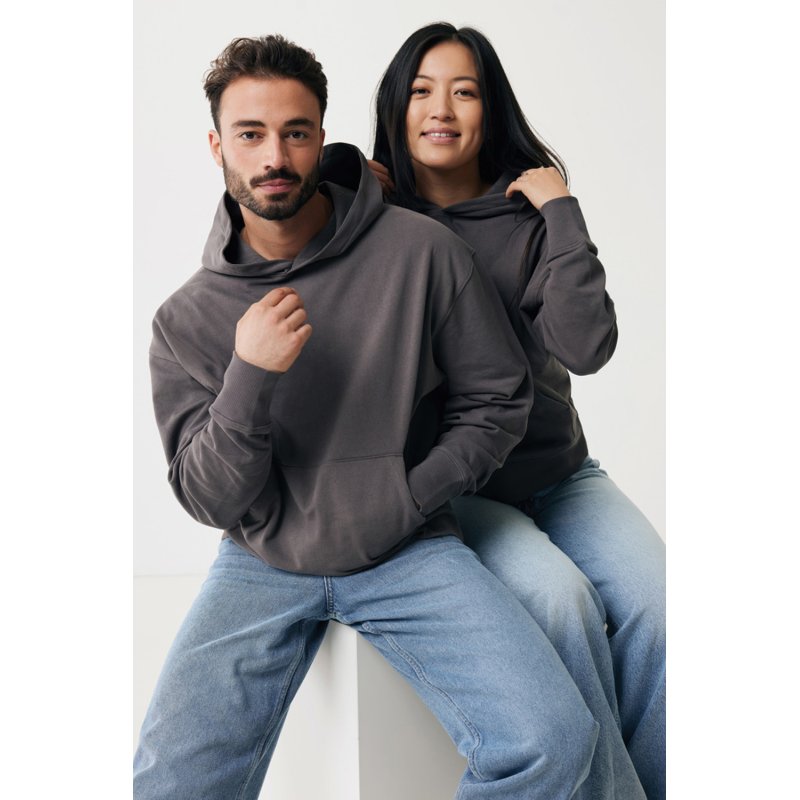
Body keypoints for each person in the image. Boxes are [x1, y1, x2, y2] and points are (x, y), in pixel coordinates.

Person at [132, 34, 614, 800]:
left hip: (409, 549)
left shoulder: (420, 252)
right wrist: (248, 377)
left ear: (322, 137)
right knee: (168, 783)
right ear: (217, 146)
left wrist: (408, 497)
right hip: (261, 560)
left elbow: (497, 399)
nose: (275, 157)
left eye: (295, 132)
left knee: (553, 739)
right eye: (251, 135)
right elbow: (209, 497)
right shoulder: (186, 318)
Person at [368, 22, 666, 799]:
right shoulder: (377, 222)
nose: (442, 109)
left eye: (464, 91)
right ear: (396, 106)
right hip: (464, 490)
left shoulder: (530, 215)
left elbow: (587, 346)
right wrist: (350, 192)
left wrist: (562, 210)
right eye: (422, 91)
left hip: (562, 475)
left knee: (662, 603)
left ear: (490, 109)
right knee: (563, 603)